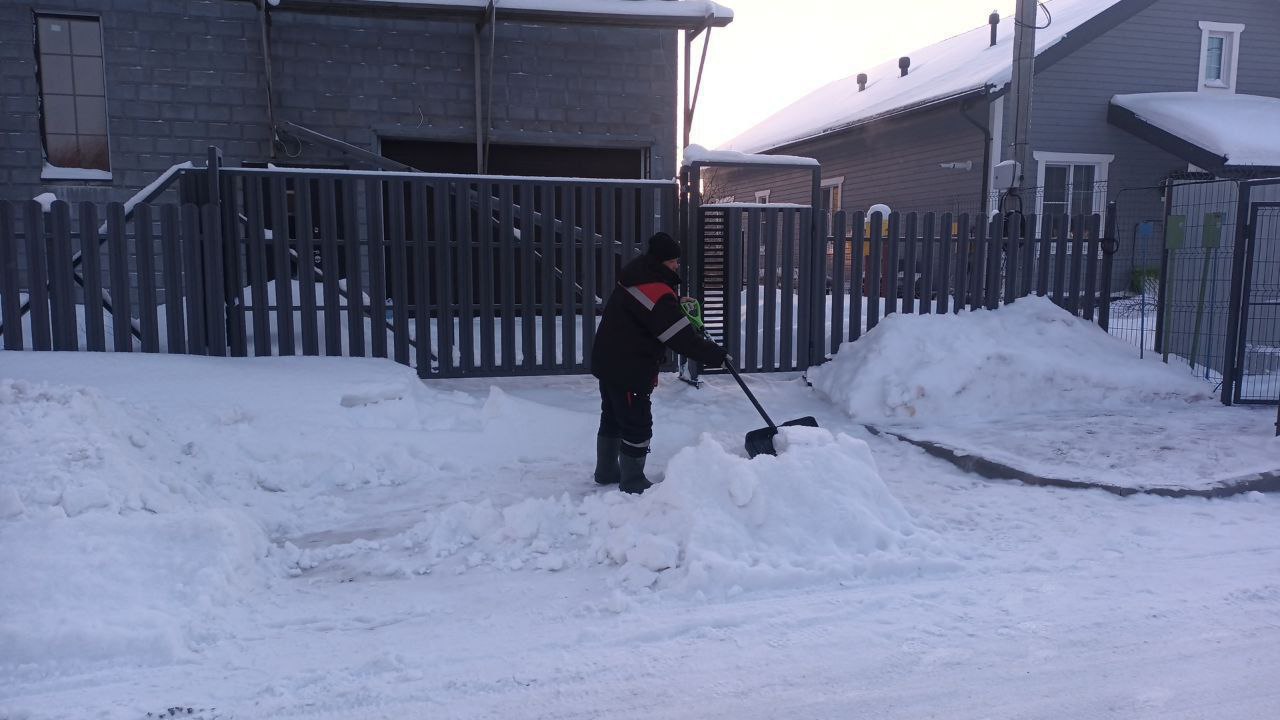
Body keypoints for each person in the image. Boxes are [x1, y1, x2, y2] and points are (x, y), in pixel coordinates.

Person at [590, 231, 727, 494]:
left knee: (612, 416)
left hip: (609, 361)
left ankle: (606, 471)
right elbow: (680, 339)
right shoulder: (657, 293)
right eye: (673, 261)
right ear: (660, 261)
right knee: (637, 423)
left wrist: (673, 302)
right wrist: (715, 355)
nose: (676, 265)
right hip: (629, 367)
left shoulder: (637, 276)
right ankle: (632, 481)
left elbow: (644, 309)